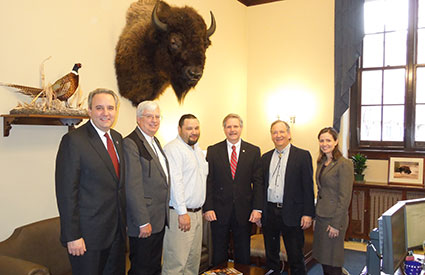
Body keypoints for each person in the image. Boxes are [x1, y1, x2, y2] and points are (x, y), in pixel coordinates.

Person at [55, 88, 126, 274]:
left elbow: (117, 187)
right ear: (89, 111)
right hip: (88, 238)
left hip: (116, 234)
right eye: (99, 108)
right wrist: (73, 236)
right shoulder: (74, 141)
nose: (106, 113)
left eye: (110, 108)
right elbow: (66, 193)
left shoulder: (118, 139)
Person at [203, 113, 263, 266]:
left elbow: (258, 182)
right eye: (228, 126)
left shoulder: (253, 151)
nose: (232, 130)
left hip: (244, 211)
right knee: (219, 252)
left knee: (243, 252)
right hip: (218, 211)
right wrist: (208, 207)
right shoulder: (213, 150)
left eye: (235, 126)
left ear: (241, 128)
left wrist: (257, 209)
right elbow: (208, 181)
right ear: (224, 129)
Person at [261, 120, 315, 275]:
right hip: (270, 212)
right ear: (271, 135)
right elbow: (261, 188)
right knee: (271, 256)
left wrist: (308, 213)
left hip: (292, 213)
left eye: (281, 132)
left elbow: (308, 187)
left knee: (295, 257)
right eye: (274, 132)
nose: (278, 135)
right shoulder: (265, 158)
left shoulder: (302, 156)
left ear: (289, 134)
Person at [124, 101, 170, 275]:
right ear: (138, 119)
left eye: (157, 116)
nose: (154, 120)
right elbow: (132, 186)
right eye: (149, 116)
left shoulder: (154, 141)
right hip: (144, 222)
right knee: (141, 269)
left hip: (158, 219)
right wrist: (143, 221)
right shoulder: (131, 143)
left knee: (154, 267)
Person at [161, 114, 208, 275]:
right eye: (189, 128)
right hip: (180, 214)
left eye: (196, 128)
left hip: (196, 214)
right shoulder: (173, 149)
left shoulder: (197, 150)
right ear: (179, 129)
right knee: (176, 264)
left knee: (192, 264)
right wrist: (182, 213)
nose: (193, 132)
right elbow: (175, 182)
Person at [312, 127, 354, 275]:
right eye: (322, 140)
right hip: (322, 216)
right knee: (324, 259)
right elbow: (322, 191)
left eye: (328, 140)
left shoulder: (344, 164)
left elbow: (345, 197)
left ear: (336, 141)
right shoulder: (322, 162)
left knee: (333, 261)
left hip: (335, 219)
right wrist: (316, 216)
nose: (324, 144)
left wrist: (336, 224)